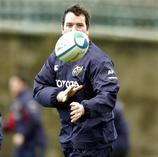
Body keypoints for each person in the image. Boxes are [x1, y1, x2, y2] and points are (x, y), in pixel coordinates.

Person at [33, 4, 119, 157]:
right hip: (68, 139)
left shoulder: (98, 60)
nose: (74, 30)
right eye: (69, 25)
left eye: (79, 25)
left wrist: (84, 107)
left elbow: (109, 95)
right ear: (62, 29)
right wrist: (60, 95)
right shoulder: (57, 56)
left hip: (94, 142)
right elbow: (39, 88)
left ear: (87, 30)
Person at [4, 74, 47, 157]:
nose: (12, 88)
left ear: (22, 84)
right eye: (11, 86)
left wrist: (22, 134)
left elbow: (34, 119)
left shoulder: (29, 98)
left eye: (14, 85)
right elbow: (14, 121)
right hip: (23, 145)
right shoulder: (16, 101)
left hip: (33, 143)